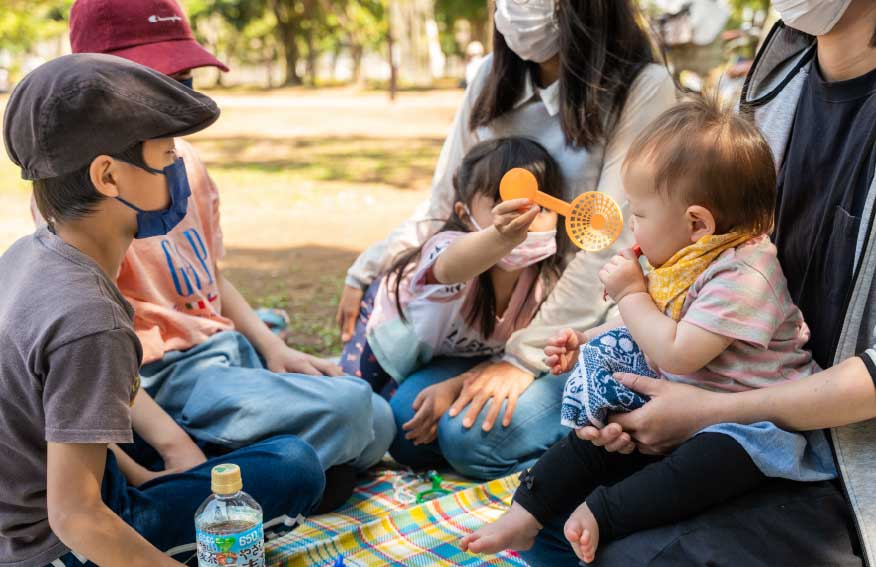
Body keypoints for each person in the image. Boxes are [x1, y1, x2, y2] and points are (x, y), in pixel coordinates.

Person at [520, 0, 876, 564]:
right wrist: (625, 394)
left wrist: (701, 412)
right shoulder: (770, 96)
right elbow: (683, 295)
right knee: (554, 513)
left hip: (832, 452)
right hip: (715, 393)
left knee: (633, 548)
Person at [462, 96, 836, 563]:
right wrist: (588, 342)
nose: (631, 228)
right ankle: (525, 513)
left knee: (703, 465)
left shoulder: (746, 275)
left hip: (753, 425)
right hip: (684, 398)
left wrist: (630, 294)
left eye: (639, 214)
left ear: (697, 223)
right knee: (590, 441)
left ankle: (605, 514)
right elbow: (653, 325)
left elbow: (678, 352)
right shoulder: (684, 260)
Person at [63, 0, 395, 502]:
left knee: (379, 417)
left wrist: (273, 348)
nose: (178, 96)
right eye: (160, 78)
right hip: (163, 378)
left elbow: (209, 276)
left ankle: (263, 466)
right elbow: (90, 351)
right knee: (348, 412)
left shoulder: (185, 161)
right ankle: (204, 460)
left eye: (184, 75)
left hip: (226, 356)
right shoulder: (88, 193)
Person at [0, 53, 325, 567]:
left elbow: (60, 417)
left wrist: (139, 473)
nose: (178, 166)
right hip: (56, 549)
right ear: (108, 176)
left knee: (264, 465)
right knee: (297, 466)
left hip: (45, 508)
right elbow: (76, 517)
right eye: (167, 152)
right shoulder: (89, 317)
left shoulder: (31, 254)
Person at [337, 0, 677, 480]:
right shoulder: (489, 79)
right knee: (405, 423)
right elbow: (442, 206)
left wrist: (522, 360)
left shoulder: (642, 89)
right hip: (493, 324)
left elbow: (611, 241)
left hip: (586, 331)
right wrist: (368, 267)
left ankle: (607, 444)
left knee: (468, 439)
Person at [342, 138, 563, 425]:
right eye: (504, 203)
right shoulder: (450, 248)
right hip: (385, 340)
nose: (525, 219)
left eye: (542, 207)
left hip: (444, 356)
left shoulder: (545, 282)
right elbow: (450, 268)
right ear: (463, 215)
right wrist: (500, 238)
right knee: (352, 403)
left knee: (399, 422)